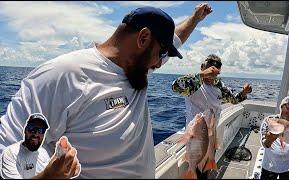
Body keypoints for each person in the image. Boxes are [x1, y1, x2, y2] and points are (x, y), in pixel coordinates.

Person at [0, 4, 213, 178]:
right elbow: (7, 155)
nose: (160, 62)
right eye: (162, 53)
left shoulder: (137, 68)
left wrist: (195, 18)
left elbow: (176, 38)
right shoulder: (62, 75)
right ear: (143, 38)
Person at [172, 54, 252, 177]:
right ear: (202, 67)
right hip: (196, 134)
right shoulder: (194, 83)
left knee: (208, 165)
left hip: (213, 132)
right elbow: (175, 86)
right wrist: (202, 75)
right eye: (209, 68)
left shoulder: (220, 86)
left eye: (215, 71)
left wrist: (244, 93)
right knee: (198, 169)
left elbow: (234, 100)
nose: (212, 73)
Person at [0, 113, 80, 179]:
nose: (36, 134)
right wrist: (48, 176)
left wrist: (65, 171)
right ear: (25, 130)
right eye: (32, 129)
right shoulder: (10, 153)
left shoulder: (43, 152)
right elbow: (49, 175)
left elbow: (53, 172)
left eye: (40, 131)